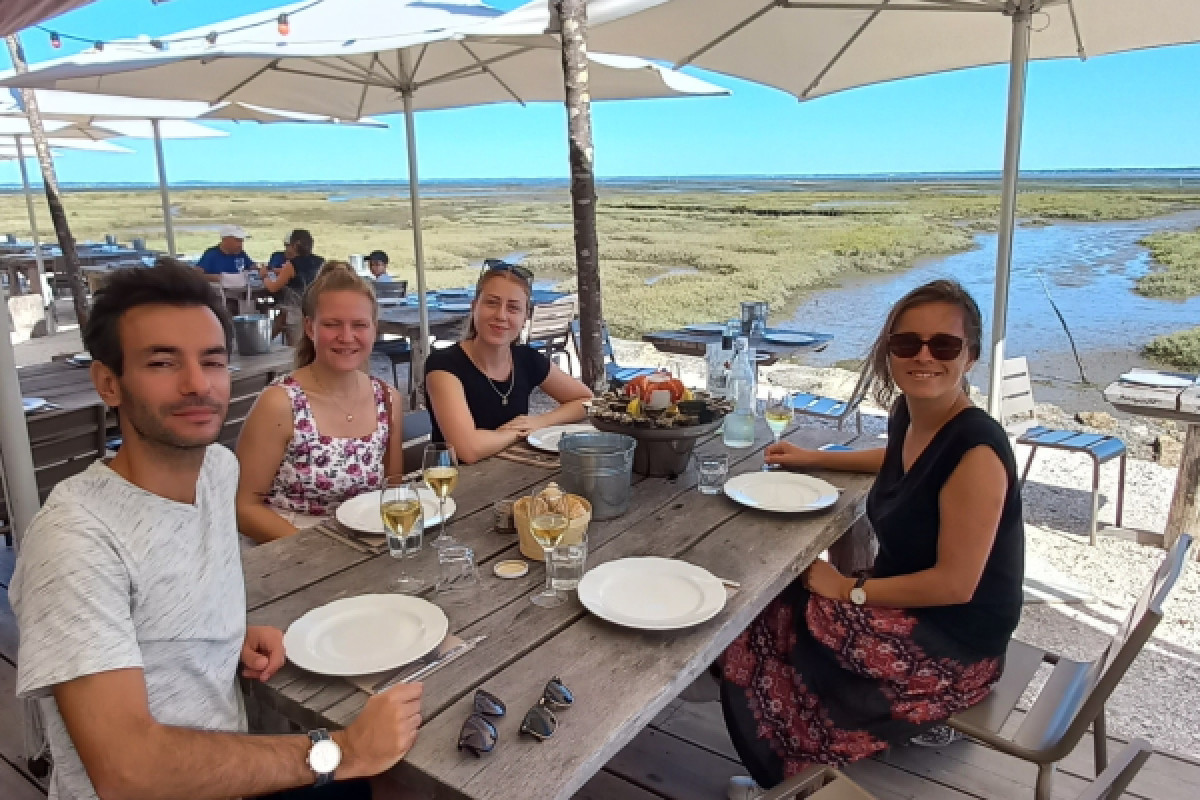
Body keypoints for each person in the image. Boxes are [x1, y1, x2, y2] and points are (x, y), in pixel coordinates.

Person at [8, 260, 423, 800]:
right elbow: (128, 770)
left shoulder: (216, 474)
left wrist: (226, 634)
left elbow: (170, 609)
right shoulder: (74, 539)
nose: (196, 384)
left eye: (212, 361)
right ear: (108, 382)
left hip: (234, 768)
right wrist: (341, 750)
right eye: (162, 362)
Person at [721, 279, 1024, 797]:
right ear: (890, 352)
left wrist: (847, 590)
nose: (923, 356)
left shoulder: (976, 450)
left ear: (970, 357)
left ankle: (793, 772)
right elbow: (902, 459)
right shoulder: (915, 412)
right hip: (913, 608)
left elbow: (955, 586)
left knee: (759, 620)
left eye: (944, 345)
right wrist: (815, 457)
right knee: (776, 602)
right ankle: (800, 748)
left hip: (952, 647)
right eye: (907, 343)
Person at [236, 262, 405, 542]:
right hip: (290, 554)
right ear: (310, 328)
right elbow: (244, 507)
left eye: (359, 325)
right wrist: (318, 551)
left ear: (374, 329)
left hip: (365, 551)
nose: (347, 337)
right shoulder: (280, 402)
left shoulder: (387, 399)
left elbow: (393, 490)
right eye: (332, 324)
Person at [424, 262, 592, 464]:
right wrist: (518, 432)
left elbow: (586, 400)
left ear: (525, 317)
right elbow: (467, 449)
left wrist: (540, 422)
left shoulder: (526, 358)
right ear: (474, 306)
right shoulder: (443, 365)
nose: (501, 316)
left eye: (513, 308)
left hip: (512, 475)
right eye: (492, 303)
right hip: (457, 485)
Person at [262, 229, 325, 344]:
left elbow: (273, 287)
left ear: (295, 246)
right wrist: (277, 270)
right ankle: (264, 341)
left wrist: (264, 276)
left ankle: (263, 342)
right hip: (315, 308)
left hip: (295, 310)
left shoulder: (292, 264)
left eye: (288, 246)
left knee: (295, 348)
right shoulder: (320, 261)